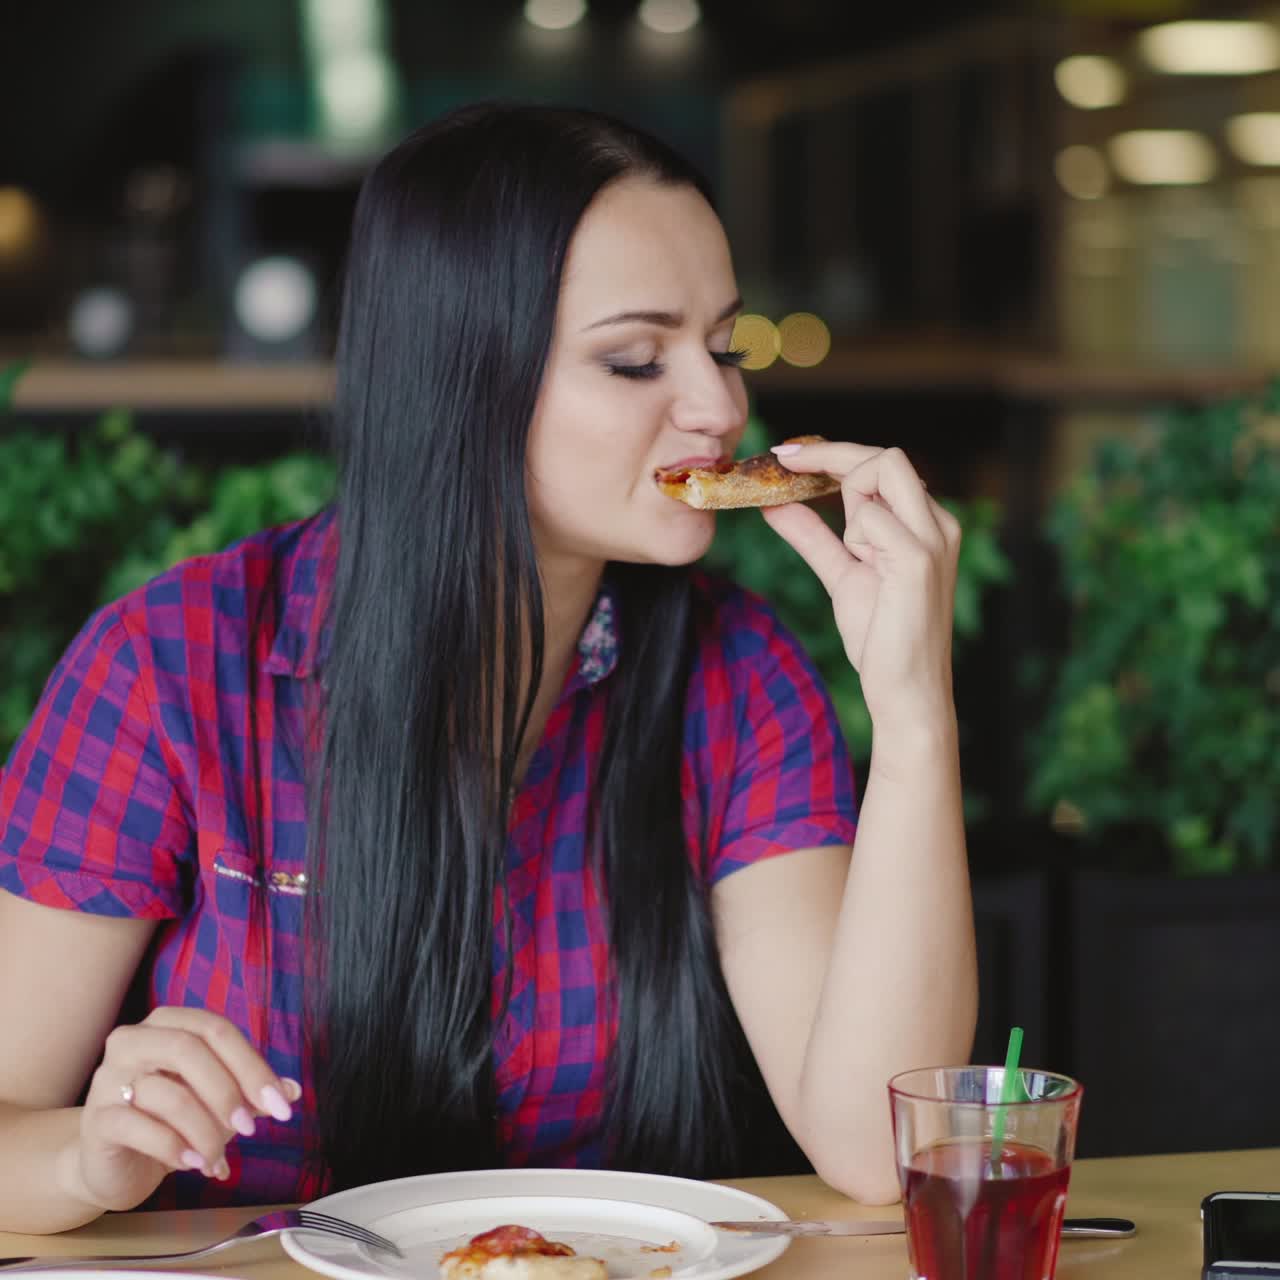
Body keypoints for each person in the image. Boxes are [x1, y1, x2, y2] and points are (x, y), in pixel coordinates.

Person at [0, 103, 976, 1233]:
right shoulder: (169, 666)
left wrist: (913, 714)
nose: (719, 406)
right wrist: (87, 1155)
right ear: (459, 375)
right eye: (632, 358)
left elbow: (874, 1144)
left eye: (720, 345)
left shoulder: (734, 674)